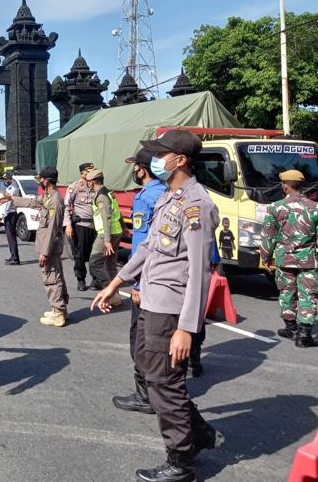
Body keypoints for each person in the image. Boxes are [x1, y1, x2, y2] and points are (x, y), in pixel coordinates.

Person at [91, 130, 224, 481]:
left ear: (179, 159)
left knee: (165, 383)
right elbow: (149, 248)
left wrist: (186, 327)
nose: (153, 160)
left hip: (171, 311)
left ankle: (181, 461)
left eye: (159, 154)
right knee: (154, 376)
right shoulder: (170, 198)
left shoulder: (196, 205)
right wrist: (116, 283)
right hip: (151, 300)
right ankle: (200, 434)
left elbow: (200, 273)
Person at [112, 148, 165, 415]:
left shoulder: (146, 197)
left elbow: (141, 245)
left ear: (142, 170)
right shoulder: (168, 193)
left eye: (135, 167)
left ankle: (145, 394)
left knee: (140, 339)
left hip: (148, 281)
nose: (133, 171)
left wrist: (136, 284)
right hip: (168, 280)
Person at [259, 169, 318, 348]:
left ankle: (290, 328)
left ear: (284, 186)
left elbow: (268, 236)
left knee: (286, 292)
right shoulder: (316, 208)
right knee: (308, 295)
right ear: (301, 186)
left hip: (284, 260)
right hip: (308, 260)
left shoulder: (275, 208)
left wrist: (265, 257)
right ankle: (304, 335)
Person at [0, 167, 69, 327]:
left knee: (52, 278)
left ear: (47, 180)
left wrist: (45, 252)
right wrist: (11, 199)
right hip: (48, 245)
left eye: (41, 179)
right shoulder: (49, 197)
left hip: (49, 246)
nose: (40, 182)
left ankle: (58, 312)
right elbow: (34, 201)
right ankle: (59, 309)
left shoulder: (55, 200)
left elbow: (51, 229)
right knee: (55, 276)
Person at [86, 169, 124, 306]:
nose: (87, 184)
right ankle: (116, 297)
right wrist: (124, 227)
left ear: (93, 182)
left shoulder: (101, 197)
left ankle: (111, 294)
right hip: (116, 232)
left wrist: (107, 240)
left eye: (88, 181)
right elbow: (117, 211)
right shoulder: (109, 192)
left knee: (94, 263)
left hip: (106, 235)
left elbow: (106, 218)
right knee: (110, 265)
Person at [63, 162, 97, 290]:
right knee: (80, 254)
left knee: (96, 254)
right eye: (88, 171)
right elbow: (67, 206)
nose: (90, 173)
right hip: (80, 225)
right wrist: (68, 225)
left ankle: (95, 278)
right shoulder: (75, 187)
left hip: (95, 225)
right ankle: (81, 279)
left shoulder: (95, 186)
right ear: (82, 172)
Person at [1, 171, 21, 265]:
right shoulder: (9, 188)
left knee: (11, 237)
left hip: (11, 213)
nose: (5, 181)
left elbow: (9, 203)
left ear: (10, 178)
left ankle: (15, 258)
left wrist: (3, 215)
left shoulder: (13, 189)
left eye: (6, 179)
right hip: (9, 213)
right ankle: (12, 256)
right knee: (9, 237)